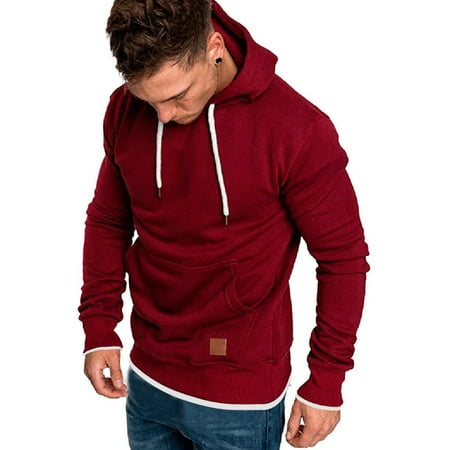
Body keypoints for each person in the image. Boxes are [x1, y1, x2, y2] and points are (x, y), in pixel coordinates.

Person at [79, 0, 369, 448]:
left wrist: (326, 381)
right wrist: (99, 327)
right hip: (147, 381)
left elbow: (343, 259)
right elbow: (108, 220)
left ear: (214, 48)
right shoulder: (124, 109)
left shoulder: (296, 130)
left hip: (239, 401)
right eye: (148, 100)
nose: (164, 115)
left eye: (176, 95)